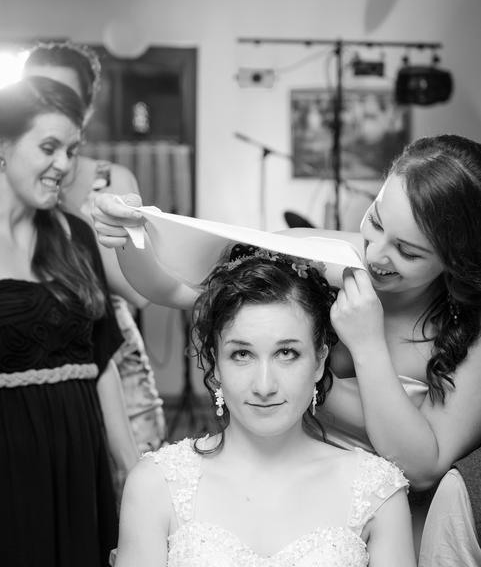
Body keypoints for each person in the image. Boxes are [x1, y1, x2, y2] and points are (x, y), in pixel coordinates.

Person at [114, 243, 415, 567]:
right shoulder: (155, 485)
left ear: (319, 361)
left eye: (286, 353)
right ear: (216, 364)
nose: (264, 386)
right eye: (242, 354)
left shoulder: (376, 491)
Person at [0, 75, 138, 567]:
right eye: (48, 147)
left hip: (80, 460)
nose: (63, 164)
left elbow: (101, 364)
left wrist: (133, 471)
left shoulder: (75, 236)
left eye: (71, 150)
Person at [23, 41, 166, 462]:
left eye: (62, 97)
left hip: (110, 347)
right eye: (37, 95)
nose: (48, 108)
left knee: (135, 479)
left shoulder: (111, 179)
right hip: (28, 347)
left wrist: (79, 224)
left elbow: (139, 292)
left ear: (85, 111)